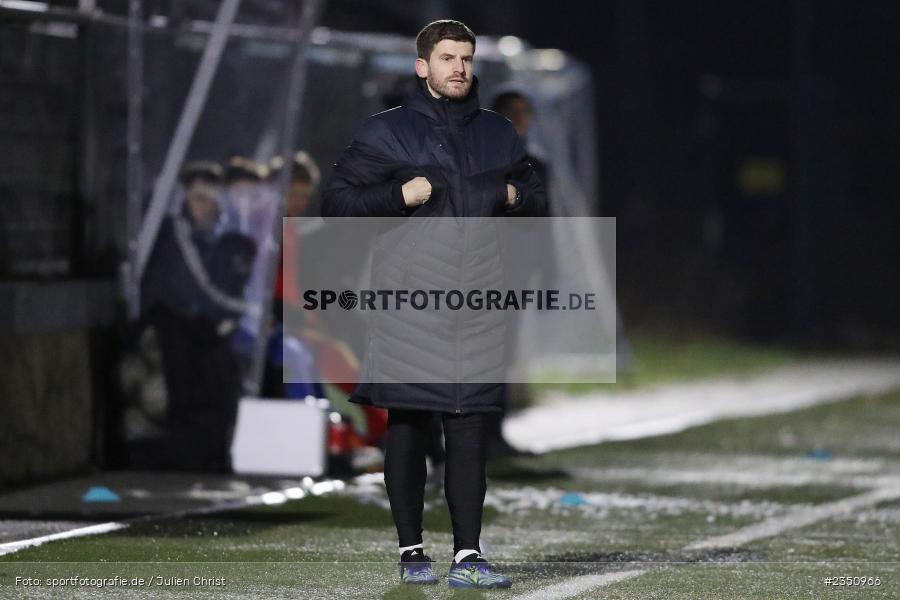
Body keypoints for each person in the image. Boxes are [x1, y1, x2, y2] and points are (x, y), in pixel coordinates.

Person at [321, 20, 547, 588]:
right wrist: (398, 195)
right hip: (409, 302)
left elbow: (537, 197)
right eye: (447, 58)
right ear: (423, 66)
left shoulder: (497, 131)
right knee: (408, 424)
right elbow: (337, 203)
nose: (459, 68)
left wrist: (515, 195)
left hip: (479, 304)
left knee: (468, 427)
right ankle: (411, 551)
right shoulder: (387, 131)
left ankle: (467, 556)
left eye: (466, 58)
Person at [140, 161, 256, 471]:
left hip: (206, 327)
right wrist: (240, 310)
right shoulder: (176, 232)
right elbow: (196, 286)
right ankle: (187, 458)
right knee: (185, 389)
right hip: (174, 322)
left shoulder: (222, 237)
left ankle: (214, 454)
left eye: (210, 199)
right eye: (198, 199)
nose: (205, 207)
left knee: (220, 386)